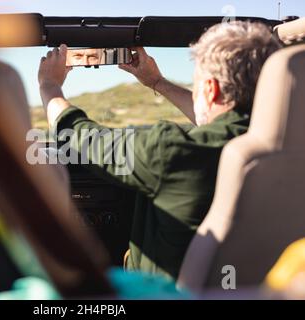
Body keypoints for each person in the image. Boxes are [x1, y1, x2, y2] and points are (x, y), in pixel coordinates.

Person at [38, 21, 281, 280]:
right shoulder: (284, 147)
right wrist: (156, 82)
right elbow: (224, 118)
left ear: (210, 90)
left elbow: (84, 139)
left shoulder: (173, 151)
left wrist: (49, 86)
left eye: (196, 85)